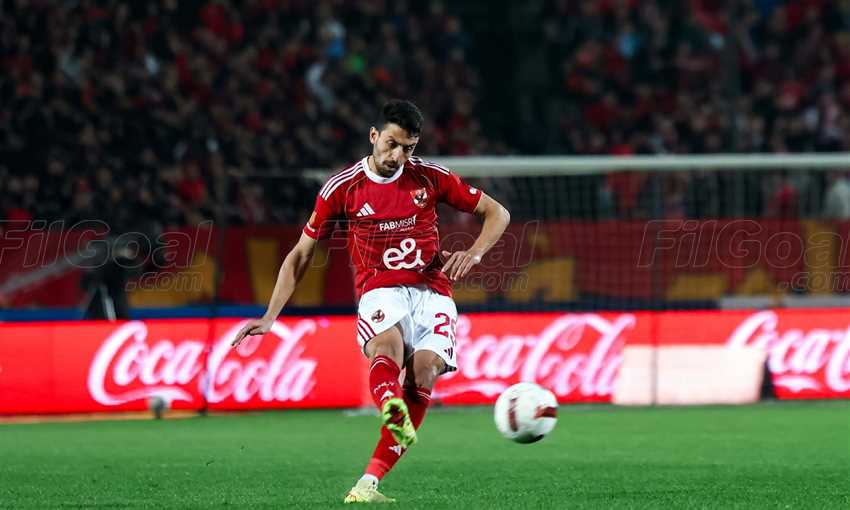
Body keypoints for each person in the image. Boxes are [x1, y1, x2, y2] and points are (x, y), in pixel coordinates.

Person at [231, 99, 510, 503]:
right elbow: (301, 254)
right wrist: (270, 315)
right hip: (381, 288)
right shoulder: (342, 188)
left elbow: (497, 213)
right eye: (392, 144)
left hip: (433, 290)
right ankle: (391, 405)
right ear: (374, 136)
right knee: (387, 348)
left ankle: (368, 484)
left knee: (425, 371)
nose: (398, 156)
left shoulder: (430, 176)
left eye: (408, 148)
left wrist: (475, 253)